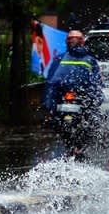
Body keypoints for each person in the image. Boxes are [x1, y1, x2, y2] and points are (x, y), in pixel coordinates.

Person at [42, 30, 104, 159]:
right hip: (77, 98)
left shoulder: (60, 58)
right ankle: (78, 148)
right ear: (83, 43)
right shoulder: (89, 59)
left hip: (69, 99)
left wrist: (47, 105)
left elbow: (50, 82)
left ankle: (73, 148)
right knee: (92, 121)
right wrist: (97, 99)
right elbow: (96, 83)